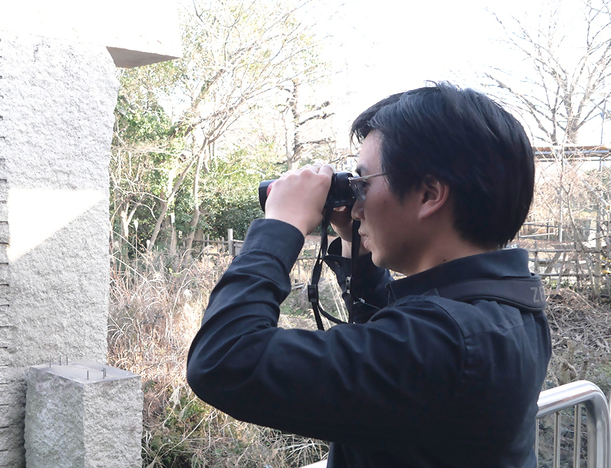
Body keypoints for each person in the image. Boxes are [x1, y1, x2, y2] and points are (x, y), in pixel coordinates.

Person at [186, 83, 551, 467]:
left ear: (429, 194)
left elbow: (224, 360)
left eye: (362, 183)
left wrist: (281, 225)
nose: (357, 206)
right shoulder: (509, 303)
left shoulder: (446, 341)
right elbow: (395, 363)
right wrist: (358, 251)